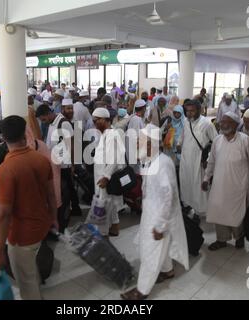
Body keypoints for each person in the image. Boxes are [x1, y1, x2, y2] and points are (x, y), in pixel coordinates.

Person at [0, 116, 57, 300]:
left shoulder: (6, 169)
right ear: (24, 133)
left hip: (21, 236)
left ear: (3, 137)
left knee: (26, 283)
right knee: (31, 270)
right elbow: (51, 195)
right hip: (41, 226)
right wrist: (54, 218)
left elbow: (3, 214)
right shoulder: (40, 159)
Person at [121, 124, 190, 301]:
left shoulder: (162, 164)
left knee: (150, 251)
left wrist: (160, 225)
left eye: (139, 142)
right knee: (160, 248)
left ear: (151, 144)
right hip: (151, 212)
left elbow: (168, 197)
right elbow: (151, 187)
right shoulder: (150, 160)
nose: (137, 145)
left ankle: (142, 290)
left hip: (160, 216)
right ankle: (167, 271)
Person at [202, 111, 249, 251]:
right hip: (219, 185)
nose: (222, 124)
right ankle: (221, 240)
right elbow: (211, 161)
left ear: (235, 124)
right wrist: (206, 178)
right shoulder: (217, 140)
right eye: (221, 121)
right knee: (219, 212)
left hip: (238, 186)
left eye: (226, 122)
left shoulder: (245, 140)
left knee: (236, 214)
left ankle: (239, 237)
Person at [36, 102, 76, 233]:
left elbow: (72, 145)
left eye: (44, 119)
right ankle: (67, 212)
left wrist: (72, 165)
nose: (44, 122)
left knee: (66, 192)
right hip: (56, 165)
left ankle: (67, 215)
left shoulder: (63, 123)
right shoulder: (52, 124)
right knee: (63, 192)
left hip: (64, 165)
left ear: (48, 114)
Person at [178, 99, 218, 221]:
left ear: (199, 110)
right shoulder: (186, 121)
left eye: (192, 111)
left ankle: (200, 211)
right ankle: (189, 206)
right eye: (187, 111)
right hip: (185, 159)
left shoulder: (207, 124)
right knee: (187, 184)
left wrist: (209, 159)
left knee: (198, 187)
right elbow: (183, 136)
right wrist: (179, 143)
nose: (189, 113)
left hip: (199, 161)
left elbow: (216, 142)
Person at [91, 108, 125, 237]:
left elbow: (115, 158)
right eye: (94, 120)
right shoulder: (105, 134)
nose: (95, 122)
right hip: (101, 176)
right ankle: (114, 227)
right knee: (108, 202)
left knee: (104, 204)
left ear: (106, 120)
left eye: (97, 119)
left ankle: (102, 233)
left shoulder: (111, 135)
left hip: (105, 177)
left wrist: (106, 176)